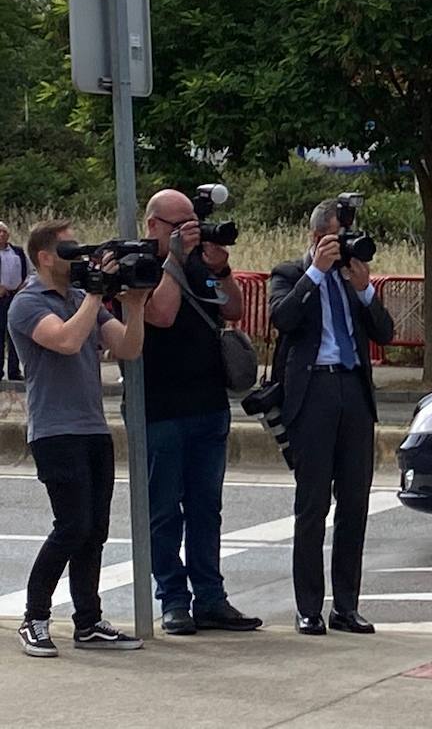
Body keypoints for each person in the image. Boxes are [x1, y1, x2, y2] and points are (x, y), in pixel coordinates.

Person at [8, 219, 151, 657]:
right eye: (68, 250)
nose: (77, 257)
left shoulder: (77, 298)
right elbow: (67, 341)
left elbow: (127, 348)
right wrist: (93, 293)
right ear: (45, 256)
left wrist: (136, 304)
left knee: (95, 531)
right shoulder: (28, 303)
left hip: (92, 427)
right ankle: (34, 617)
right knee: (71, 526)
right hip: (54, 430)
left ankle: (88, 622)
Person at [269, 198, 395, 636]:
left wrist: (365, 289)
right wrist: (316, 272)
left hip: (353, 389)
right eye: (336, 238)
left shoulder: (350, 277)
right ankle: (308, 607)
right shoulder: (290, 273)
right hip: (314, 390)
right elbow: (282, 318)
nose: (343, 246)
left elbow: (386, 332)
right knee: (312, 503)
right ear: (316, 236)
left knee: (355, 503)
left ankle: (346, 604)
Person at [139, 190, 260, 635]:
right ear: (153, 225)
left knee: (207, 508)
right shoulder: (140, 264)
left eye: (194, 222)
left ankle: (211, 596)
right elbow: (162, 315)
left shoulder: (197, 262)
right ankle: (173, 599)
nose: (190, 230)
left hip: (210, 404)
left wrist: (220, 267)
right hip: (162, 408)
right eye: (179, 224)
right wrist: (173, 259)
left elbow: (233, 309)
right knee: (165, 510)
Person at [0, 220, 29, 380]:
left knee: (15, 333)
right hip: (1, 297)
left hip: (16, 295)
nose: (2, 235)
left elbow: (29, 271)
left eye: (4, 231)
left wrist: (23, 286)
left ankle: (14, 370)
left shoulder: (17, 252)